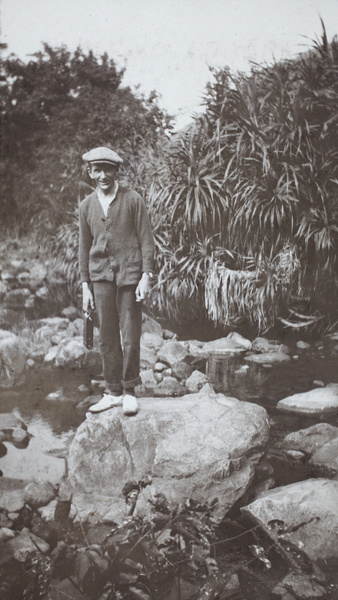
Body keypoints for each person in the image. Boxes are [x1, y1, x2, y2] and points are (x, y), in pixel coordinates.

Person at [79, 146, 155, 415]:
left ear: (116, 170)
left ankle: (130, 389)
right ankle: (112, 391)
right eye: (97, 169)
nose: (103, 175)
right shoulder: (86, 206)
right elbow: (84, 247)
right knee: (107, 337)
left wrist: (146, 276)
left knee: (131, 334)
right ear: (89, 172)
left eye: (108, 169)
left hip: (130, 276)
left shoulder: (133, 199)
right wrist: (86, 286)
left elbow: (147, 239)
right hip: (100, 277)